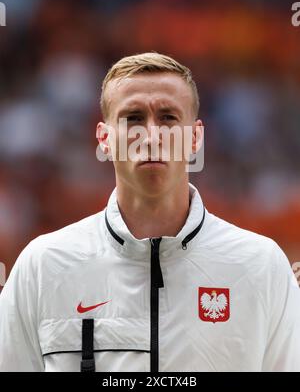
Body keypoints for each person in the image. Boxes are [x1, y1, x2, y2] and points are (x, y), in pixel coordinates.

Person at [0, 52, 299, 372]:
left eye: (169, 117)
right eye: (133, 118)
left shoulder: (260, 266)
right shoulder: (44, 266)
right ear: (104, 138)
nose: (153, 135)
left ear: (196, 137)